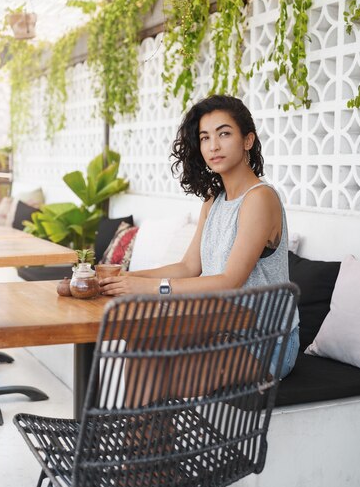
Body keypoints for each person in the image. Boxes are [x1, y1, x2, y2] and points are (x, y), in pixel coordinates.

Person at [99, 94, 300, 381]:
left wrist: (151, 288)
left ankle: (141, 425)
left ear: (248, 141)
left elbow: (230, 282)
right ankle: (143, 426)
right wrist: (123, 279)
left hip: (266, 339)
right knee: (141, 345)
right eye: (205, 137)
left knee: (169, 373)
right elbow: (188, 267)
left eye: (224, 134)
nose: (213, 146)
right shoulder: (213, 200)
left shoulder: (260, 198)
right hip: (218, 325)